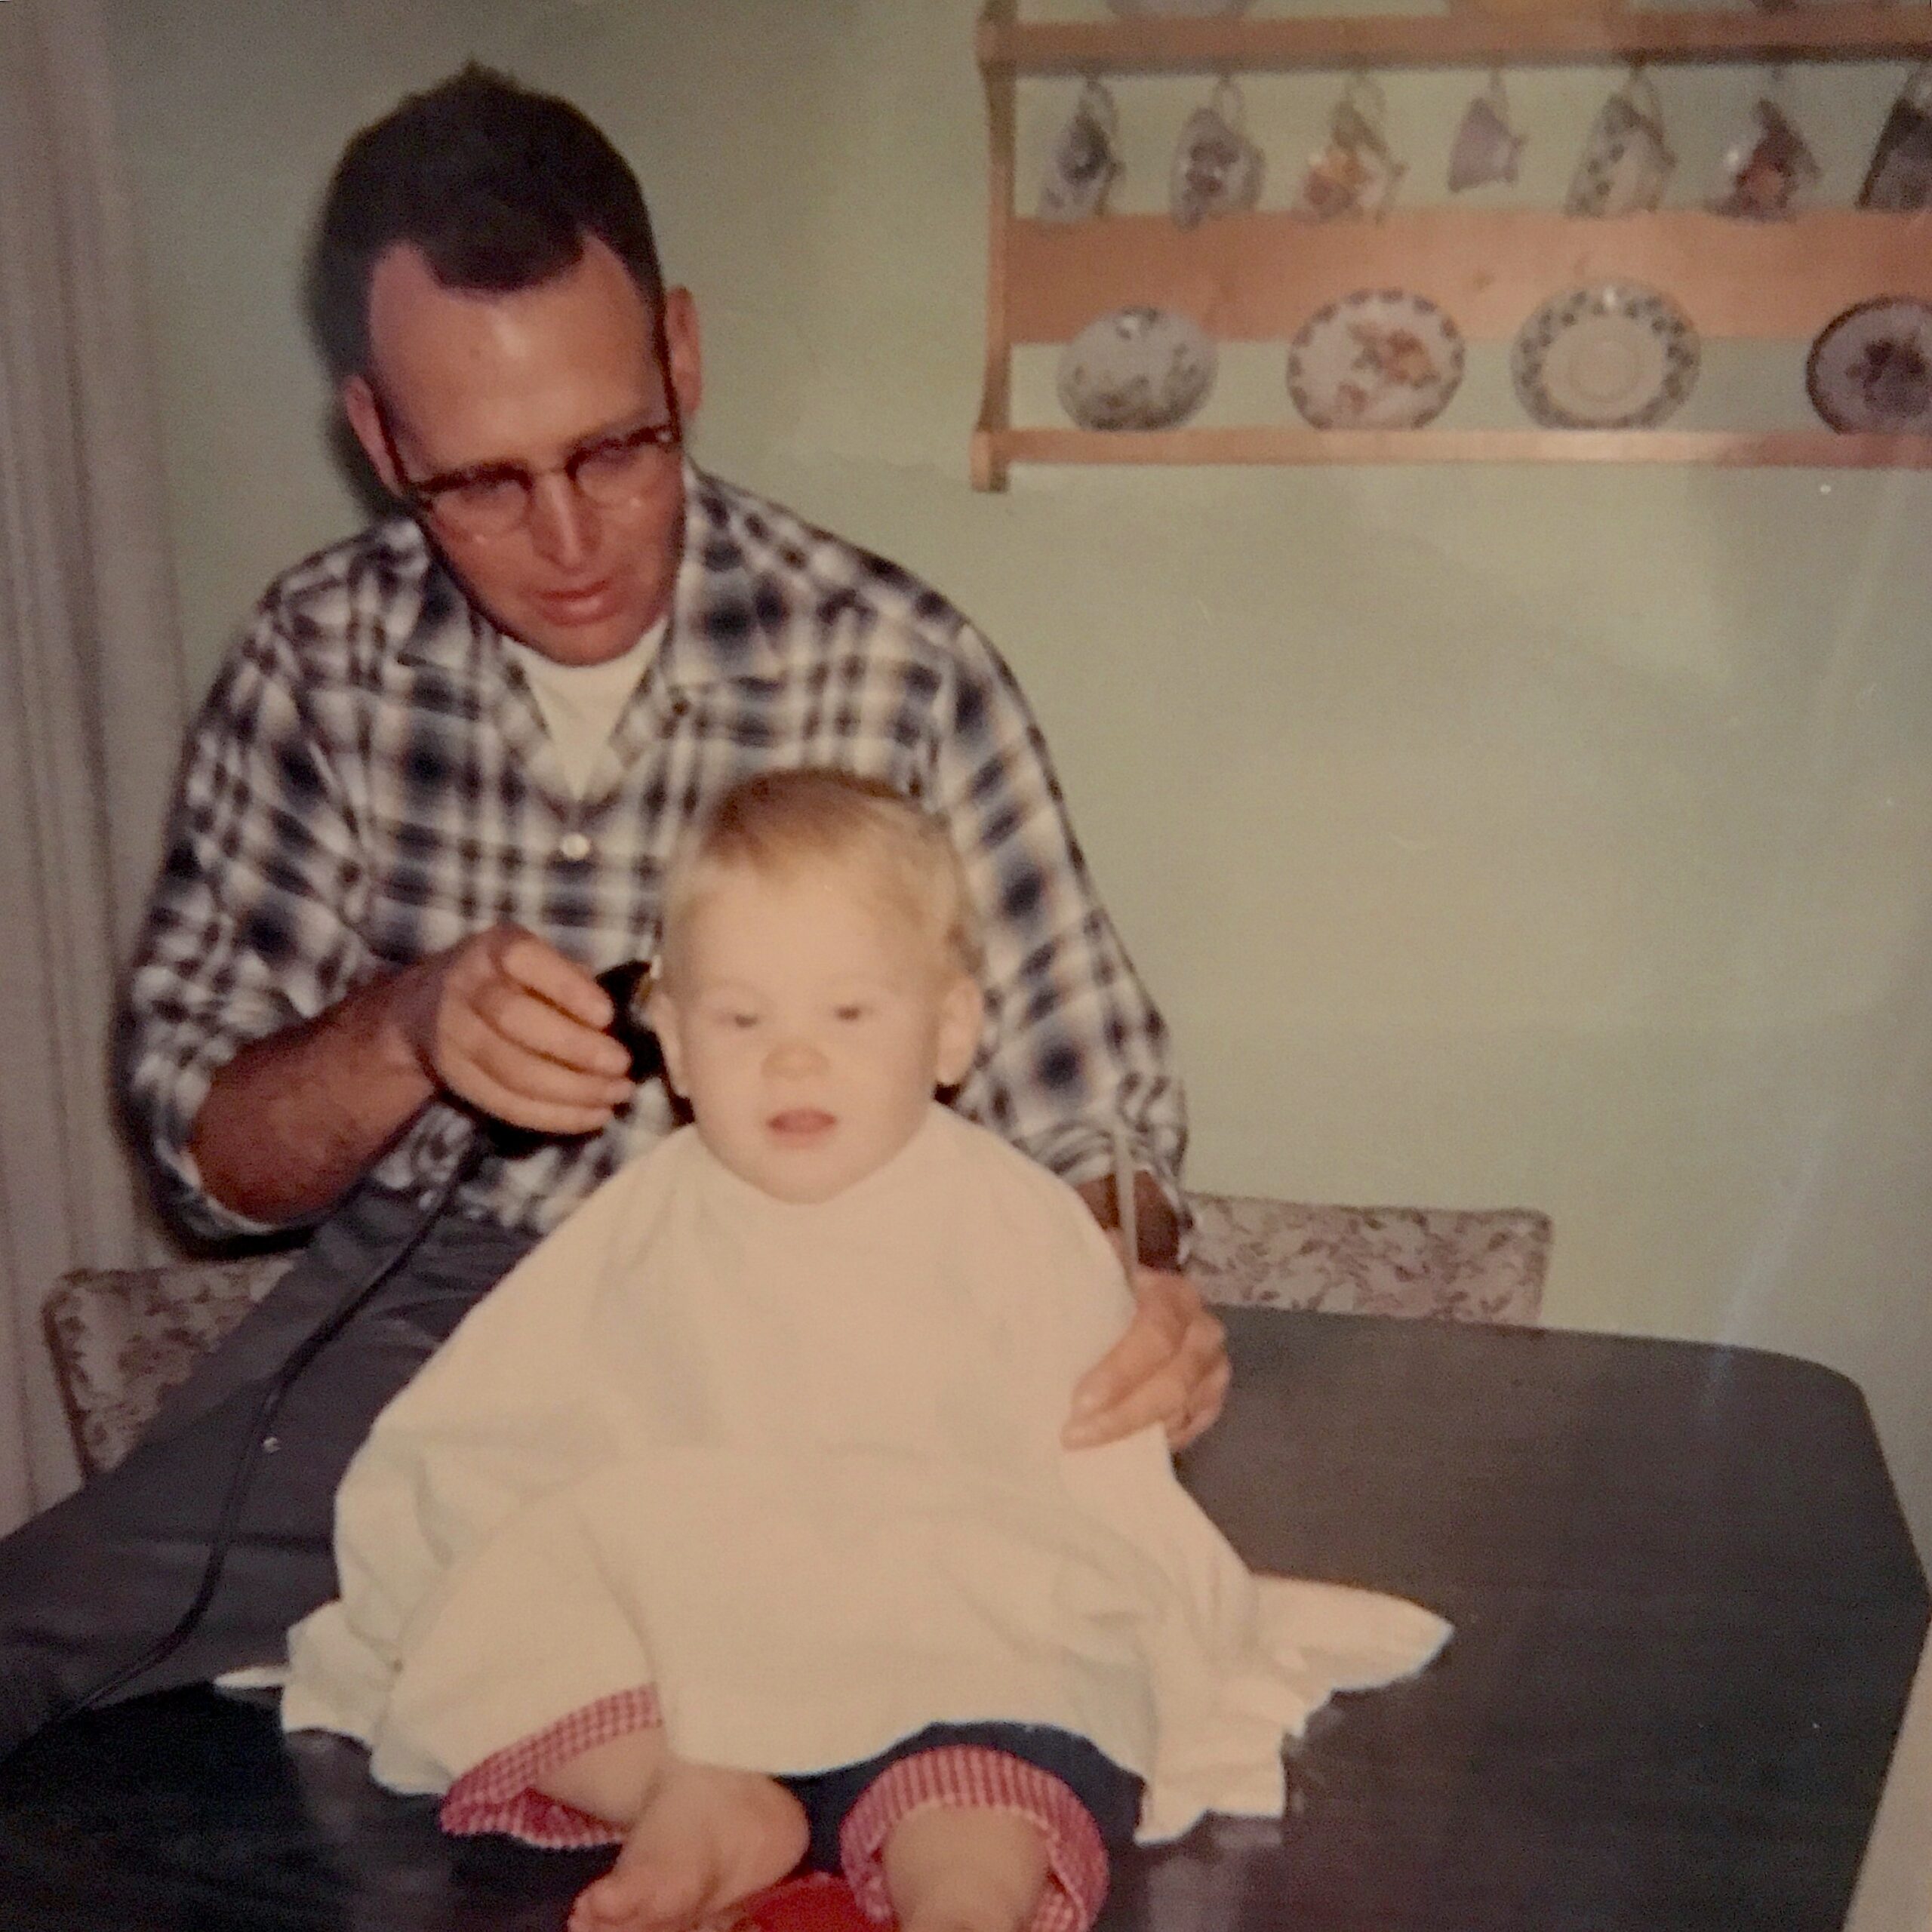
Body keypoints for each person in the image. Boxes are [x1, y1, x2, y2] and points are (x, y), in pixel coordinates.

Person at [0, 66, 1226, 1755]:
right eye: (483, 484)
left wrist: (1133, 1286)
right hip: (442, 1335)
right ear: (377, 437)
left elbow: (1089, 1100)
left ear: (683, 358)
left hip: (827, 1327)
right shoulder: (314, 664)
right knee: (46, 1630)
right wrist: (403, 1029)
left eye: (615, 447)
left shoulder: (893, 662)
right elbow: (215, 1166)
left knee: (1003, 1709)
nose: (569, 539)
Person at [281, 770, 1451, 1932]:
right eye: (742, 1020)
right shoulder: (641, 1225)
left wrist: (1105, 1591)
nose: (793, 1060)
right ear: (676, 1043)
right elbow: (494, 1440)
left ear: (949, 1029)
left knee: (1031, 1690)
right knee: (507, 1625)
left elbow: (1089, 1493)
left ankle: (966, 1895)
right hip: (688, 1614)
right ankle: (689, 1798)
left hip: (937, 1612)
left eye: (848, 1015)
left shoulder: (1008, 1217)